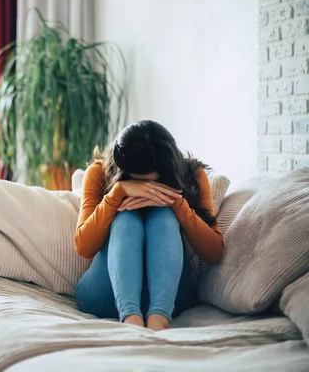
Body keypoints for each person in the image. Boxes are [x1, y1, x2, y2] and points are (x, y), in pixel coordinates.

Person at [74, 120, 224, 331]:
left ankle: (158, 318)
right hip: (106, 294)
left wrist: (177, 204)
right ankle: (130, 318)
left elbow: (214, 253)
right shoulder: (100, 172)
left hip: (173, 297)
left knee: (163, 216)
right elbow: (84, 247)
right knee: (126, 219)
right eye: (139, 181)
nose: (147, 188)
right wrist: (117, 194)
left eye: (154, 182)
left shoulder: (192, 174)